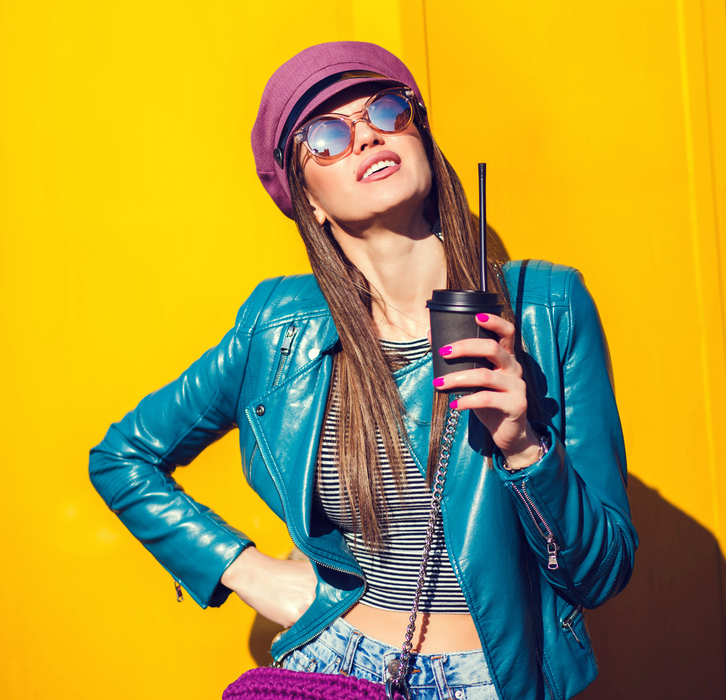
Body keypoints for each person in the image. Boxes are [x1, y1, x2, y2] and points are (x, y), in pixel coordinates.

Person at [89, 41, 637, 700]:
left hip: (489, 681)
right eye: (326, 136)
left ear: (421, 138)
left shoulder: (547, 307)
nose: (368, 136)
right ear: (308, 200)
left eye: (386, 110)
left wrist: (524, 447)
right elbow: (122, 457)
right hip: (335, 666)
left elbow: (601, 574)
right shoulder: (278, 327)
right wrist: (248, 571)